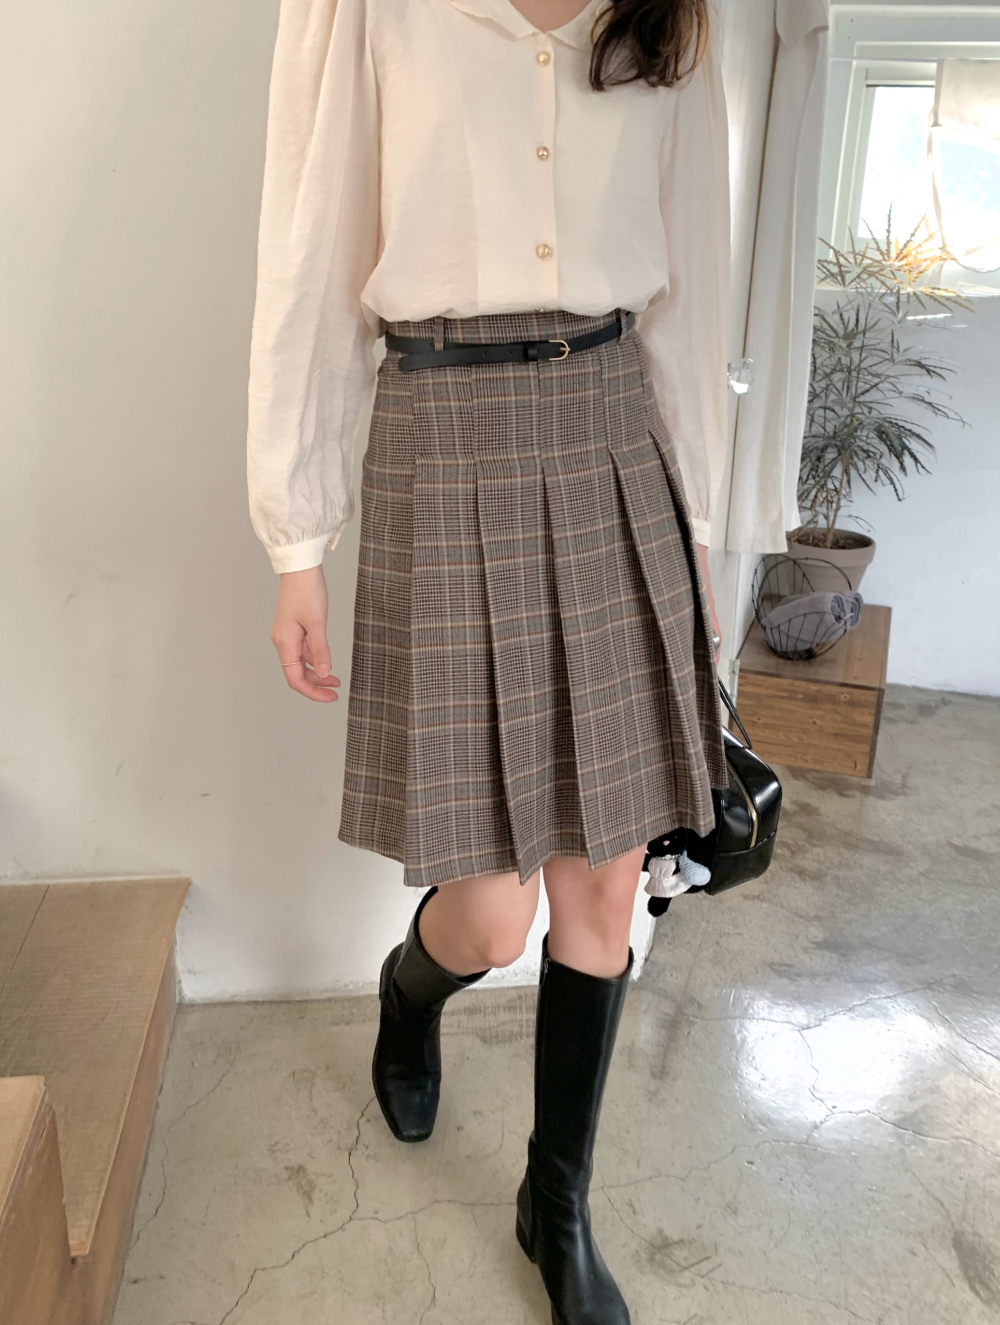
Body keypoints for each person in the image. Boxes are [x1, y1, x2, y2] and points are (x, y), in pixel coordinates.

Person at [246, 0, 730, 1318]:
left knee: (604, 887)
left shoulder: (676, 17)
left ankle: (554, 1203)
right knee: (493, 916)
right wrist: (297, 536)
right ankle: (412, 994)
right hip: (441, 434)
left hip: (613, 437)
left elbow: (693, 288)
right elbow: (310, 258)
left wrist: (700, 535)